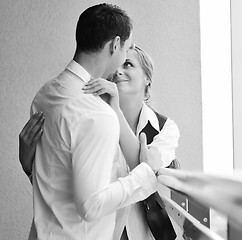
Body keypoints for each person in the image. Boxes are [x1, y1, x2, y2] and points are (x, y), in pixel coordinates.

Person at [21, 4, 166, 240]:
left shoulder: (44, 95)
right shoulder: (97, 114)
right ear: (115, 45)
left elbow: (54, 179)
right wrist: (145, 174)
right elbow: (91, 206)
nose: (123, 59)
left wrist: (28, 165)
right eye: (127, 49)